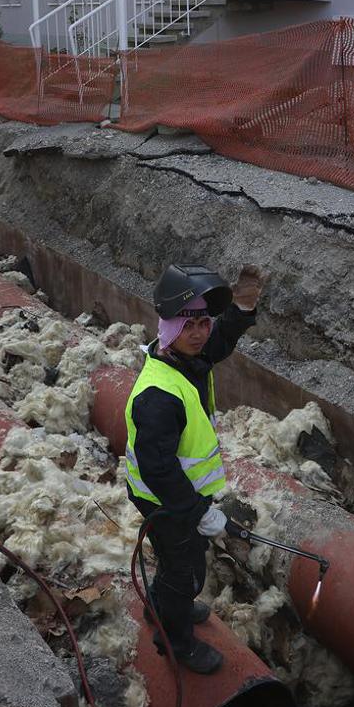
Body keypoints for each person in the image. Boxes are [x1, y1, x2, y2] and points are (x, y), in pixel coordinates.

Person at [125, 263, 265, 674]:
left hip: (175, 494)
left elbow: (218, 343)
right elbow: (158, 469)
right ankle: (176, 641)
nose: (201, 333)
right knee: (186, 570)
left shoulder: (182, 356)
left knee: (174, 560)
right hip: (163, 498)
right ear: (170, 328)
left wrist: (240, 309)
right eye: (191, 326)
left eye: (205, 322)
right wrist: (198, 511)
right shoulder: (158, 395)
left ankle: (160, 604)